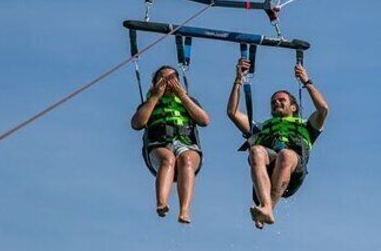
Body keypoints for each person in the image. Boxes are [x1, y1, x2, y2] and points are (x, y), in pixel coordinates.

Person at [227, 59, 329, 229]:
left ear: (294, 107)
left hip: (294, 170)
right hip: (269, 166)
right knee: (256, 150)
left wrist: (306, 81)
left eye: (281, 100)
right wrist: (238, 80)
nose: (276, 103)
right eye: (273, 102)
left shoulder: (306, 125)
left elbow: (323, 109)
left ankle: (268, 209)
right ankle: (265, 208)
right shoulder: (261, 127)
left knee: (286, 155)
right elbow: (232, 113)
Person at [131, 66, 210, 224]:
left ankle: (184, 211)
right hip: (159, 144)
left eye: (173, 78)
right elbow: (137, 124)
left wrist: (182, 95)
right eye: (163, 79)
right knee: (168, 159)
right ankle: (161, 203)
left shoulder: (188, 101)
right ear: (155, 84)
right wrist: (154, 97)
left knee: (186, 160)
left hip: (186, 143)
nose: (168, 82)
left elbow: (204, 121)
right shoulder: (149, 102)